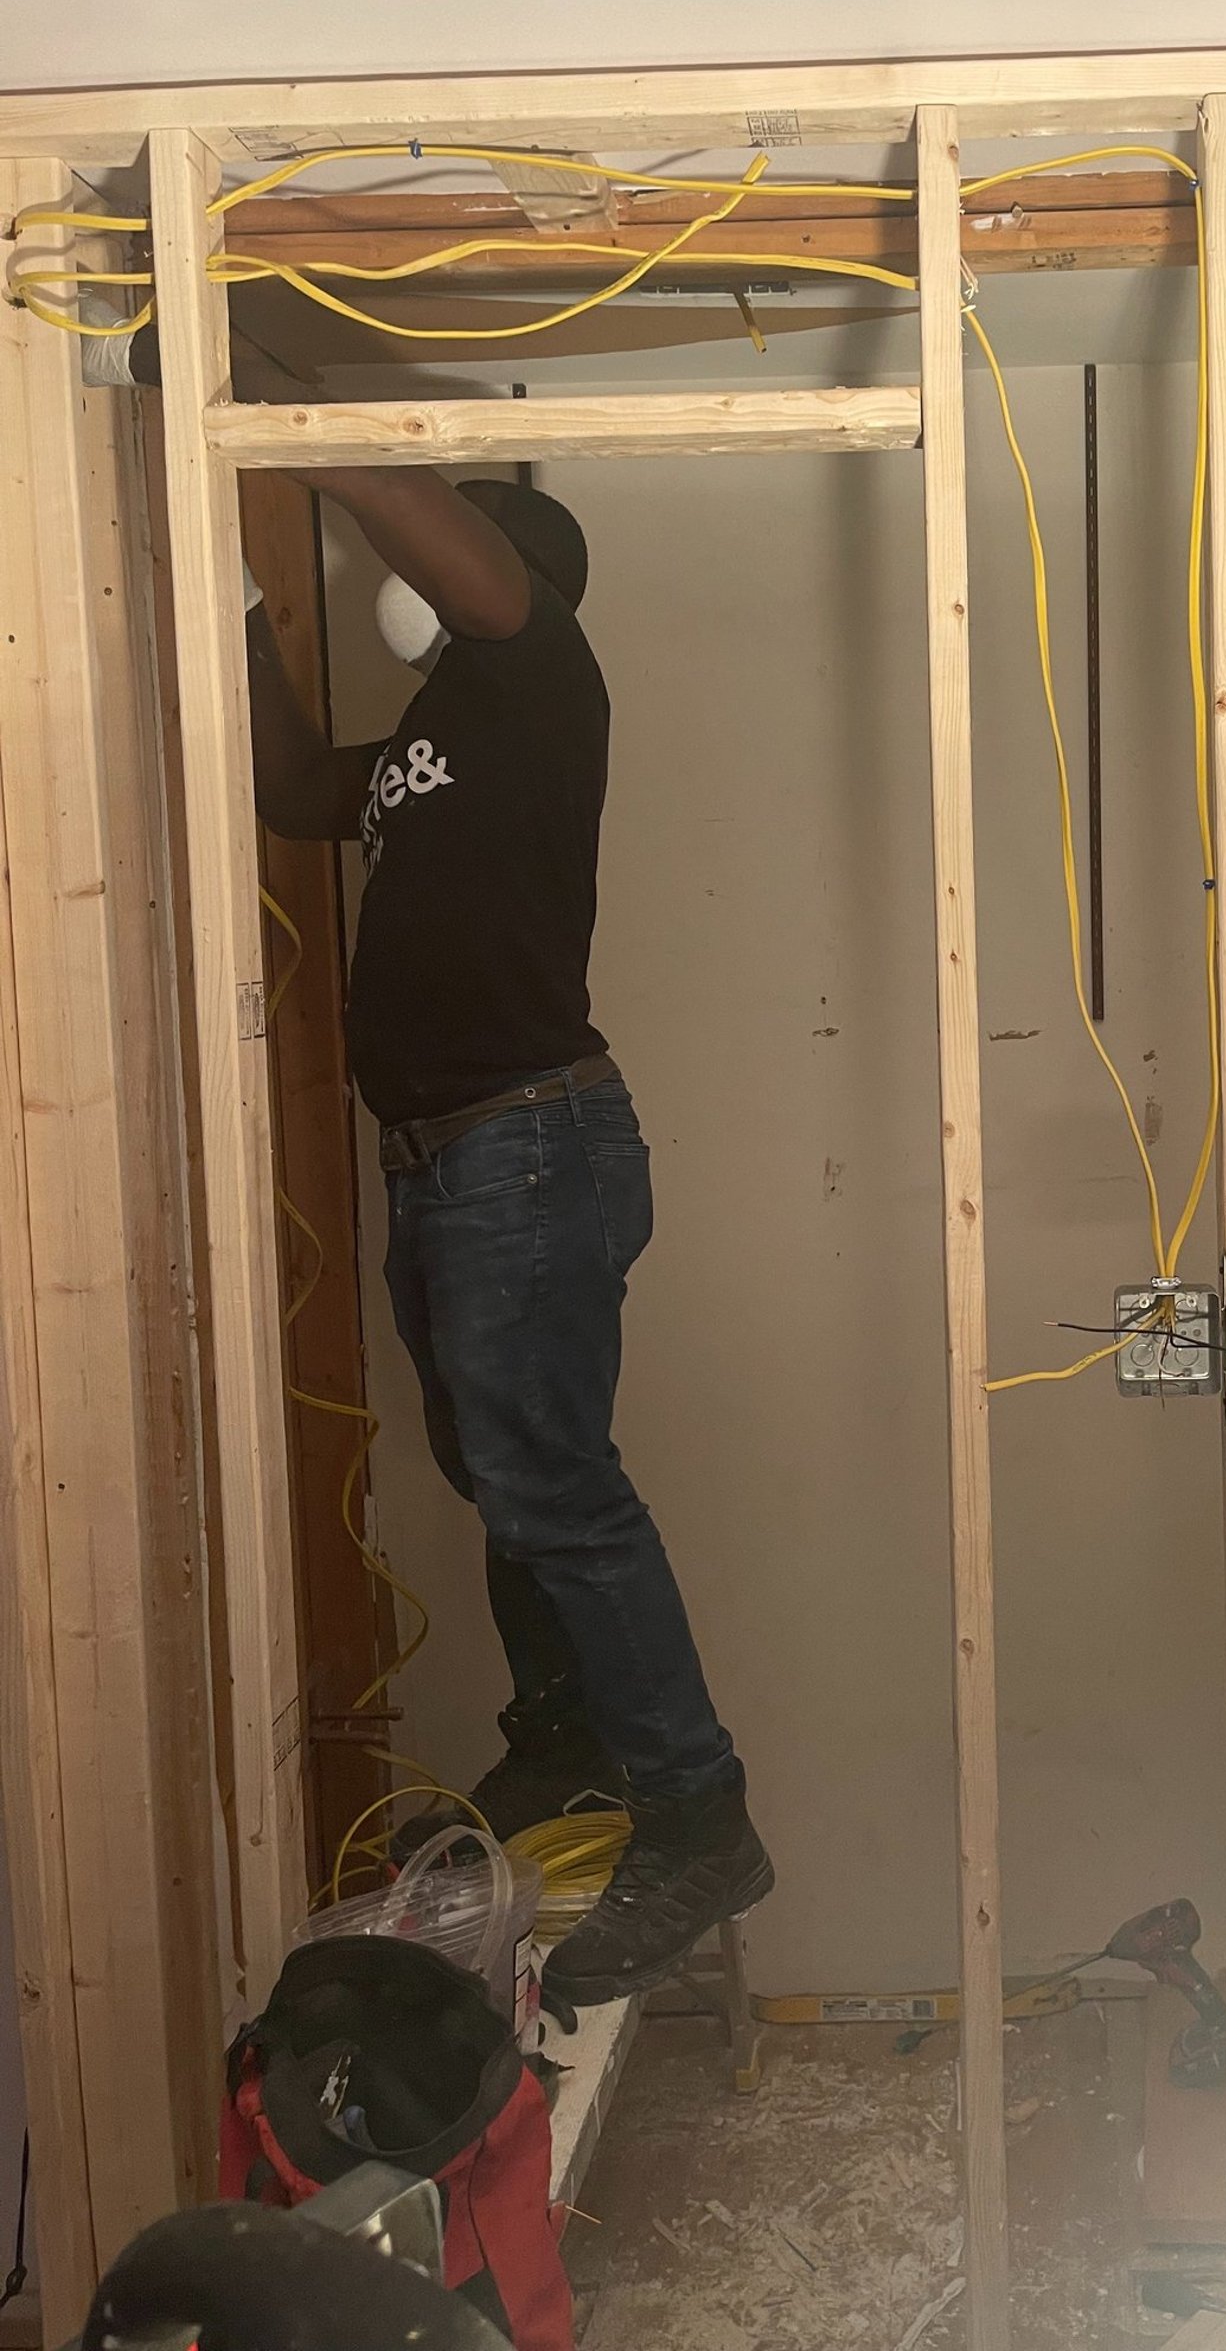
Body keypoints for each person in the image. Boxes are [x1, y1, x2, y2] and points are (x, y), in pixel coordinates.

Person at [165, 333, 772, 2008]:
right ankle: (569, 1737)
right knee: (510, 1477)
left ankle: (699, 1814)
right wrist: (226, 590)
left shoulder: (542, 676)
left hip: (527, 1144)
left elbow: (465, 561)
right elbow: (296, 788)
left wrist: (290, 413)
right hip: (454, 1164)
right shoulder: (435, 746)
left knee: (556, 1490)